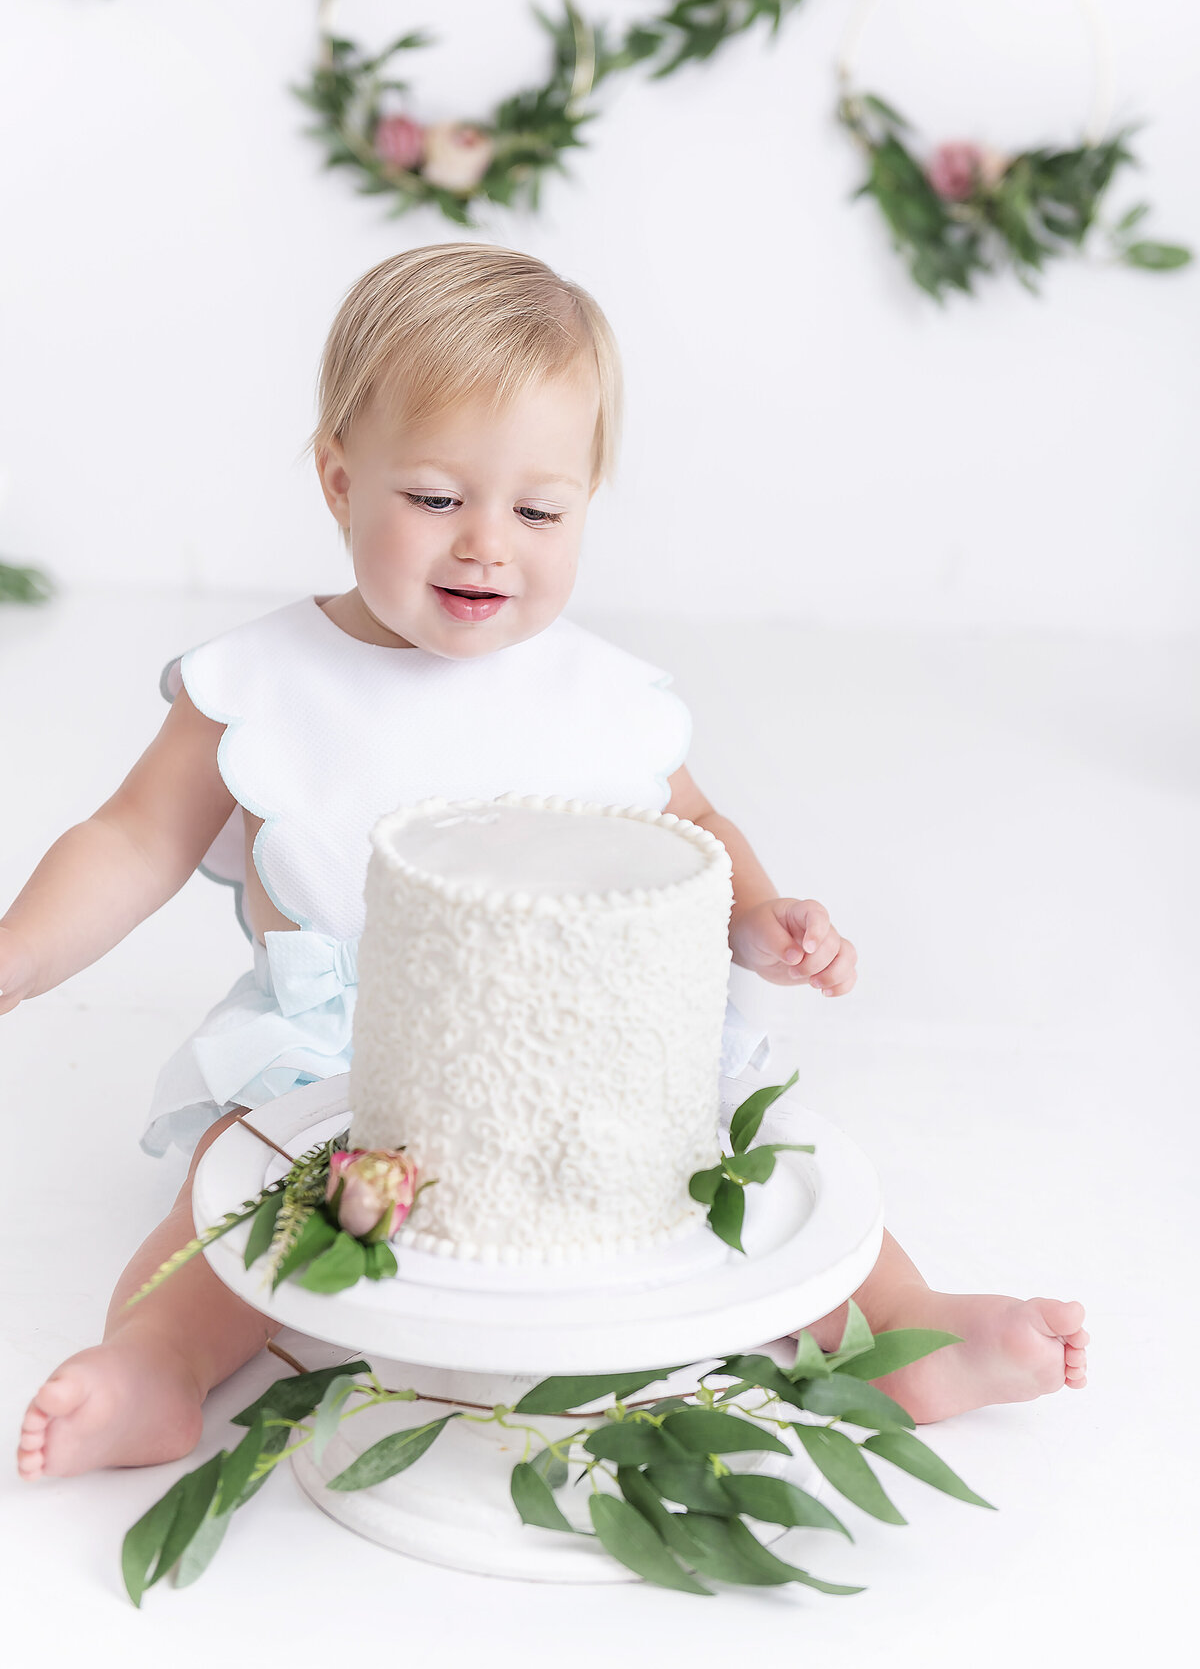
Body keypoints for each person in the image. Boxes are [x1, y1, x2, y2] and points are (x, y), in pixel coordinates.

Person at [8, 245, 1087, 1480]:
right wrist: (22, 952)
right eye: (432, 498)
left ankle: (901, 1325)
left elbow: (695, 838)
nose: (485, 546)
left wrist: (758, 917)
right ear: (337, 477)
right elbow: (132, 837)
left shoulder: (602, 700)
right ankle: (161, 1364)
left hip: (585, 1052)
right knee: (243, 1204)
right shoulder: (261, 686)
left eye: (537, 511)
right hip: (345, 1058)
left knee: (750, 1162)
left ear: (584, 505)